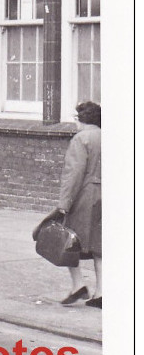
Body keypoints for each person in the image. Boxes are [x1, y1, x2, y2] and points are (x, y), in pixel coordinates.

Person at [52, 101, 102, 308]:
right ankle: (101, 292)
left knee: (68, 240)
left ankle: (78, 285)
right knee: (100, 245)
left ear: (80, 120)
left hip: (85, 196)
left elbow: (73, 175)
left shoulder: (81, 139)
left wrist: (64, 203)